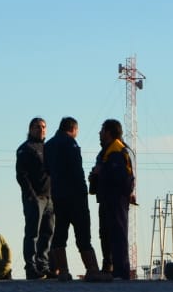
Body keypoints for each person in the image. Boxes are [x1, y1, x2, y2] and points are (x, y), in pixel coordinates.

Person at [45, 116, 109, 281]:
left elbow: (47, 169)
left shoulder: (49, 145)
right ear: (73, 129)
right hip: (75, 196)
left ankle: (63, 271)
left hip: (58, 195)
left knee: (60, 233)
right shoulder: (71, 144)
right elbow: (76, 170)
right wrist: (84, 190)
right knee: (83, 233)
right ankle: (92, 269)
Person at [89, 118, 135, 280]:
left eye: (102, 130)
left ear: (108, 132)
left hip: (116, 200)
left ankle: (121, 272)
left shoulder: (116, 151)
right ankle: (109, 268)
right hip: (107, 199)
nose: (99, 134)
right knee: (106, 234)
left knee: (117, 234)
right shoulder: (107, 151)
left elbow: (119, 176)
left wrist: (101, 172)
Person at [16, 117, 55, 280]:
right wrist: (31, 196)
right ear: (30, 129)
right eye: (38, 127)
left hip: (50, 198)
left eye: (44, 127)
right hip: (35, 198)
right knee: (33, 232)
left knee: (48, 232)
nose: (41, 130)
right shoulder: (25, 149)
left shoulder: (48, 148)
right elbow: (21, 175)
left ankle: (43, 265)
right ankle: (31, 267)